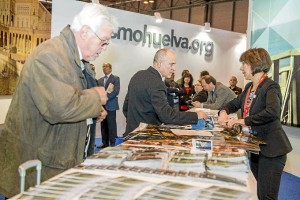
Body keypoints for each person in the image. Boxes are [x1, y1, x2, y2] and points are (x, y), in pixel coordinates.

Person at [0, 3, 118, 198]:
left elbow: (72, 101)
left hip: (57, 163)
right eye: (103, 42)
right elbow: (59, 108)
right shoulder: (50, 55)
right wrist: (95, 97)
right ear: (86, 32)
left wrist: (92, 112)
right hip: (38, 169)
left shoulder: (77, 61)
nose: (104, 49)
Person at [218, 48, 292, 199]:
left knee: (267, 196)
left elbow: (272, 112)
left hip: (272, 150)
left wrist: (242, 120)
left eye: (244, 63)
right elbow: (234, 104)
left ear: (255, 64)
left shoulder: (271, 86)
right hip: (257, 149)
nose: (241, 68)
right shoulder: (249, 87)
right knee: (261, 193)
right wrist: (223, 111)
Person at [123, 48, 207, 134]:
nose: (174, 69)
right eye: (171, 64)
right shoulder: (157, 83)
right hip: (147, 136)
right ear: (159, 63)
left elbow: (126, 108)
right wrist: (196, 115)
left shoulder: (137, 75)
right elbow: (167, 116)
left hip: (131, 133)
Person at [97, 63, 120, 148]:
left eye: (106, 66)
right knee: (103, 125)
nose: (104, 68)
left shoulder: (115, 79)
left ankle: (112, 142)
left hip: (111, 105)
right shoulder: (99, 80)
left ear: (110, 68)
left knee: (111, 124)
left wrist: (105, 99)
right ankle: (104, 142)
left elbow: (116, 91)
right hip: (102, 106)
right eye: (103, 66)